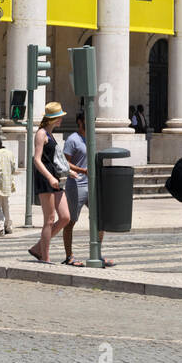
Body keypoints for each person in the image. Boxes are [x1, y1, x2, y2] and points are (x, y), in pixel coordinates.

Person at [61, 113, 115, 267]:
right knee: (71, 221)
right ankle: (69, 257)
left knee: (100, 219)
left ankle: (97, 254)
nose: (92, 123)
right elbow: (65, 163)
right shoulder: (72, 139)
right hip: (76, 185)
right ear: (80, 122)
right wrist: (82, 170)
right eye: (89, 120)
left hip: (91, 185)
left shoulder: (91, 138)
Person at [28, 102, 70, 264]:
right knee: (50, 219)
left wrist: (69, 172)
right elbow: (37, 160)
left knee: (65, 217)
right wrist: (50, 177)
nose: (61, 120)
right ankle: (45, 257)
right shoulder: (41, 133)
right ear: (53, 118)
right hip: (45, 178)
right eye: (59, 117)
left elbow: (54, 158)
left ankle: (38, 247)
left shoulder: (50, 134)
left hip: (54, 176)